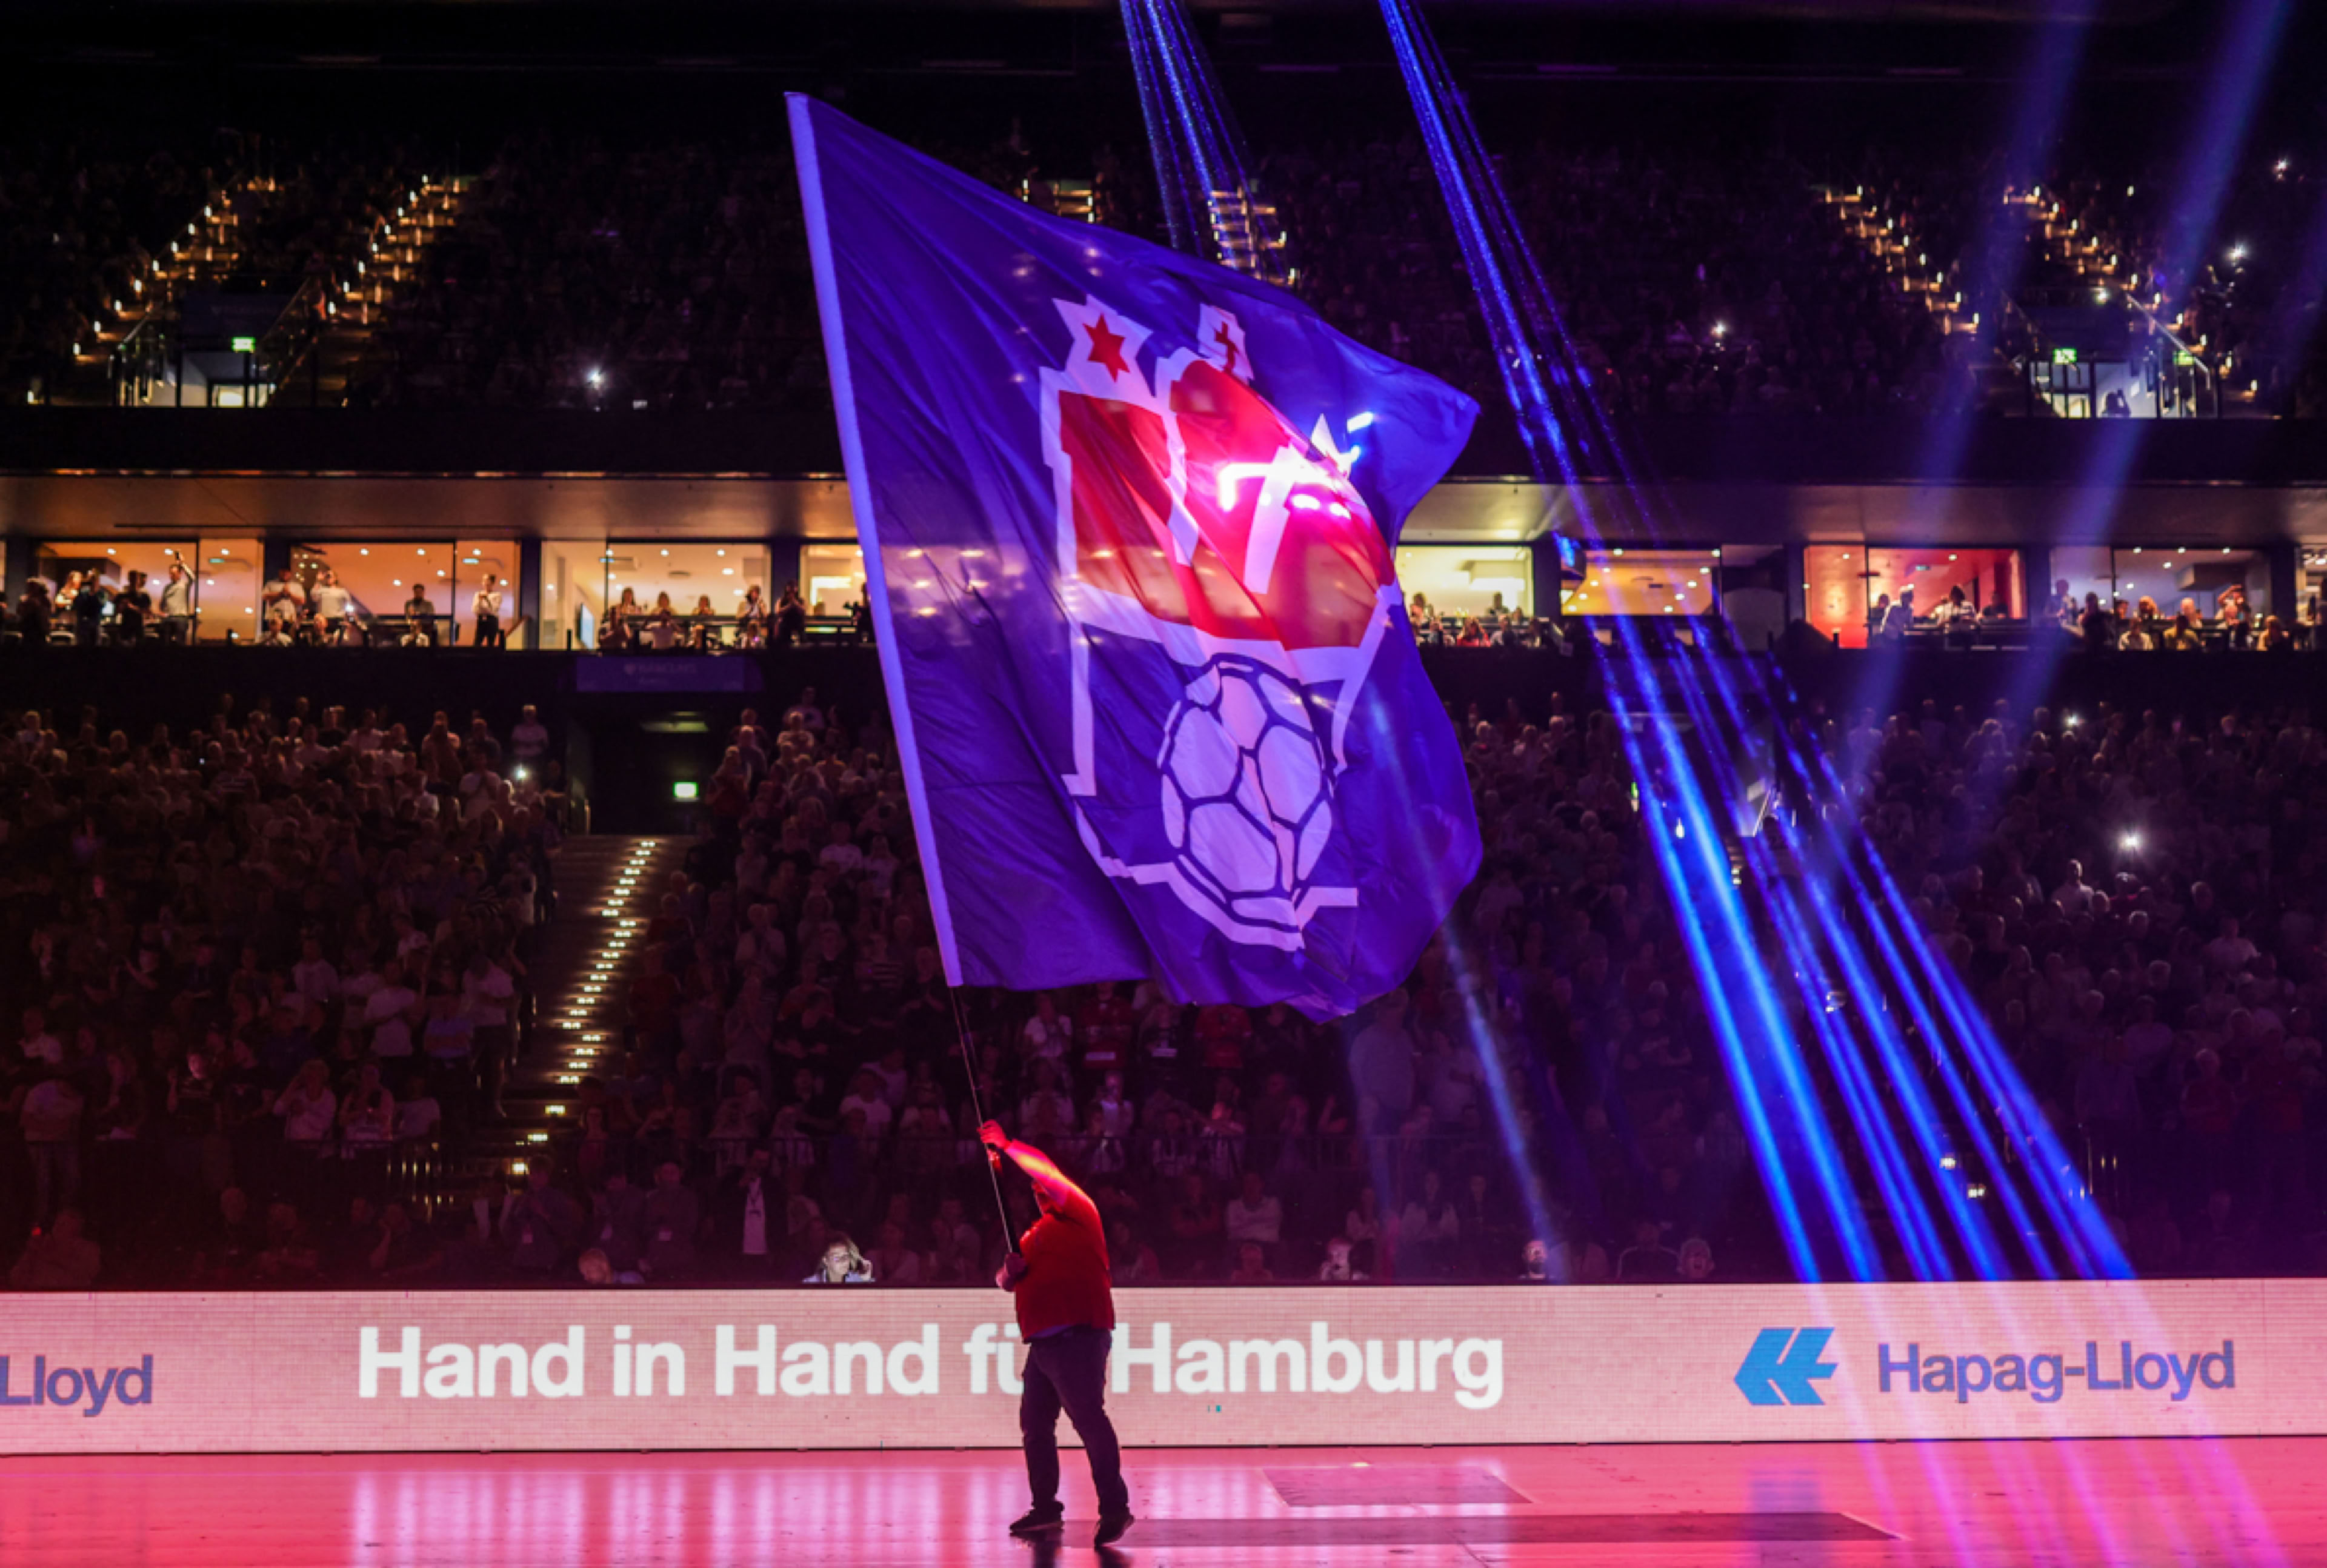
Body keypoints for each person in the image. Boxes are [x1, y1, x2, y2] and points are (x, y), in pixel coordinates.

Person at [980, 1118, 1133, 1547]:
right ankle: (1045, 1507)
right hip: (1044, 1344)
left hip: (1077, 1336)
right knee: (1035, 1425)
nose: (1037, 1189)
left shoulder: (1081, 1213)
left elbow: (1044, 1169)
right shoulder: (1033, 1235)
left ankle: (1115, 1506)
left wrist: (1007, 1145)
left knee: (1088, 1418)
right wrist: (1007, 1274)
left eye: (1041, 1184)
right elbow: (1005, 1281)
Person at [803, 1232, 873, 1283]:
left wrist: (867, 1280)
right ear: (826, 1261)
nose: (843, 1261)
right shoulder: (809, 1284)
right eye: (837, 1258)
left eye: (845, 1256)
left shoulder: (858, 1280)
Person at [310, 568, 353, 644]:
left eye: (330, 576)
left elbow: (349, 606)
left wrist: (349, 619)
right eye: (327, 576)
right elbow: (314, 597)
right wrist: (318, 581)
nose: (329, 578)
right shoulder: (321, 590)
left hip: (338, 620)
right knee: (323, 641)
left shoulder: (342, 591)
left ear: (335, 578)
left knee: (338, 641)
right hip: (324, 621)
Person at [158, 561, 195, 642]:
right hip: (168, 617)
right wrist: (161, 612)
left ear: (180, 574)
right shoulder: (167, 587)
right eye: (171, 574)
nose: (172, 576)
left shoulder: (184, 585)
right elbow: (163, 602)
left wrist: (183, 565)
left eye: (174, 574)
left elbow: (192, 577)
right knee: (165, 641)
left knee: (180, 642)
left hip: (180, 617)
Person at [473, 573, 505, 649]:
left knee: (491, 643)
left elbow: (494, 609)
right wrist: (480, 601)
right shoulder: (478, 594)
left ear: (492, 582)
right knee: (477, 643)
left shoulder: (497, 595)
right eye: (484, 580)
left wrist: (486, 600)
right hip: (481, 620)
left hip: (492, 620)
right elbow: (475, 609)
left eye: (487, 580)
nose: (485, 583)